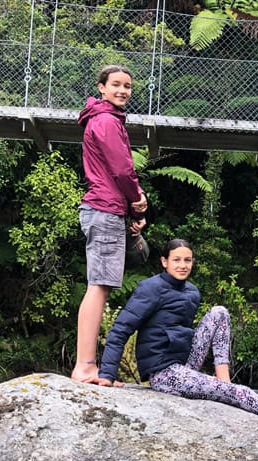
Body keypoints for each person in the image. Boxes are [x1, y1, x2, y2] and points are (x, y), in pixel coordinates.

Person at [95, 239, 258, 432]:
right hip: (165, 374)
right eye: (177, 260)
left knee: (219, 312)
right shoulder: (150, 288)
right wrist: (107, 376)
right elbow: (121, 329)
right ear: (164, 261)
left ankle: (224, 383)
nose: (183, 265)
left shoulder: (191, 293)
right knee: (241, 394)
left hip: (183, 365)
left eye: (188, 260)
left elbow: (184, 334)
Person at [72, 65, 149, 384]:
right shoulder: (105, 120)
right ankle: (85, 366)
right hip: (104, 207)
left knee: (99, 285)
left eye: (127, 86)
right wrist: (137, 200)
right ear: (101, 88)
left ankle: (87, 364)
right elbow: (121, 169)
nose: (122, 90)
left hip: (106, 208)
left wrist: (130, 213)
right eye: (116, 85)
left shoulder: (103, 118)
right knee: (98, 286)